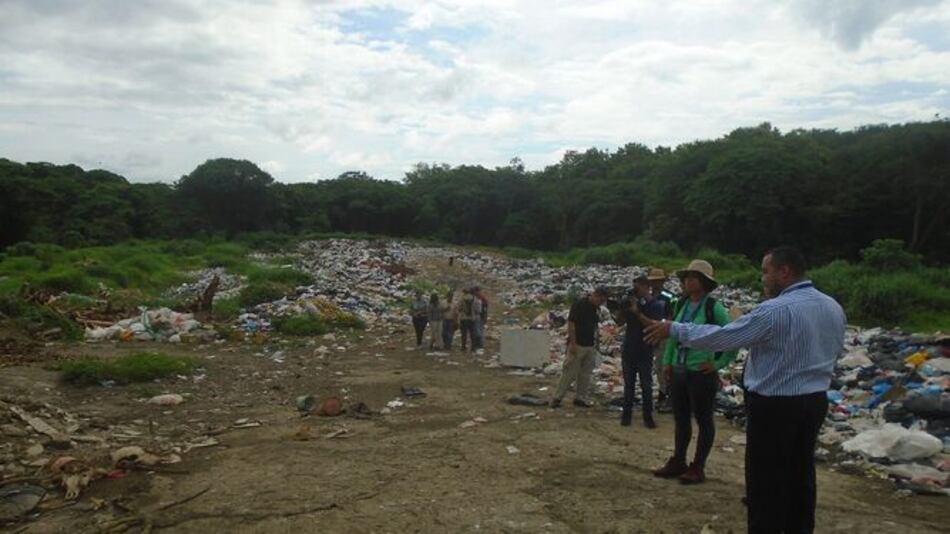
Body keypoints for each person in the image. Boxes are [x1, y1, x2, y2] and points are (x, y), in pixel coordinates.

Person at [644, 247, 846, 533]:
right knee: (801, 473)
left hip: (775, 404)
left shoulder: (775, 310)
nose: (763, 278)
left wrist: (674, 329)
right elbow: (835, 349)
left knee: (765, 480)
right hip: (814, 400)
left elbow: (726, 337)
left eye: (766, 271)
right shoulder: (832, 306)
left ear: (784, 271)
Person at [651, 260, 736, 484]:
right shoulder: (680, 304)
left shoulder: (713, 308)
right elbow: (672, 335)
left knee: (704, 419)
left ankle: (698, 466)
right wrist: (668, 363)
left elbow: (732, 337)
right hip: (680, 370)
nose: (687, 281)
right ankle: (678, 460)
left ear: (704, 283)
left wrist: (718, 364)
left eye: (693, 277)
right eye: (686, 277)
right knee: (681, 419)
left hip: (701, 373)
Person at [614, 276, 666, 428]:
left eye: (638, 289)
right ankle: (626, 417)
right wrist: (623, 309)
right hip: (629, 348)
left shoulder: (655, 305)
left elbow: (652, 325)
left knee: (646, 385)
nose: (636, 292)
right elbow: (619, 322)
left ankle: (648, 417)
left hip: (645, 348)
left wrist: (637, 312)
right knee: (629, 385)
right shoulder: (632, 303)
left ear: (646, 287)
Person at [550, 287, 609, 409]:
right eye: (600, 300)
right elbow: (571, 324)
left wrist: (596, 344)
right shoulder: (580, 304)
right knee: (569, 372)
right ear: (595, 295)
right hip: (578, 344)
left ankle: (580, 398)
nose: (601, 303)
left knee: (585, 374)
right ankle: (557, 398)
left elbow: (594, 326)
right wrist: (573, 343)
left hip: (590, 345)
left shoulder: (595, 308)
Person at [646, 268, 675, 411]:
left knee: (664, 365)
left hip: (664, 337)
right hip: (649, 335)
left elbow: (672, 316)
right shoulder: (648, 296)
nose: (654, 284)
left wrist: (662, 332)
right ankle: (661, 393)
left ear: (662, 281)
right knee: (656, 367)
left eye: (657, 281)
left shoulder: (669, 297)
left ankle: (665, 395)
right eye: (652, 281)